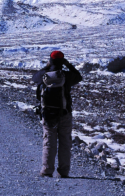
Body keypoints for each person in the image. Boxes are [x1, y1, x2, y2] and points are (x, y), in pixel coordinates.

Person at [32, 50, 82, 178]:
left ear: (51, 60)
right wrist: (68, 65)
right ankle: (63, 172)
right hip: (65, 113)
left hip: (48, 115)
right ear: (62, 61)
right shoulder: (66, 75)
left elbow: (34, 78)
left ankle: (47, 170)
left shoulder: (44, 75)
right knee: (65, 142)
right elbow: (79, 77)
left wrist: (47, 66)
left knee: (49, 142)